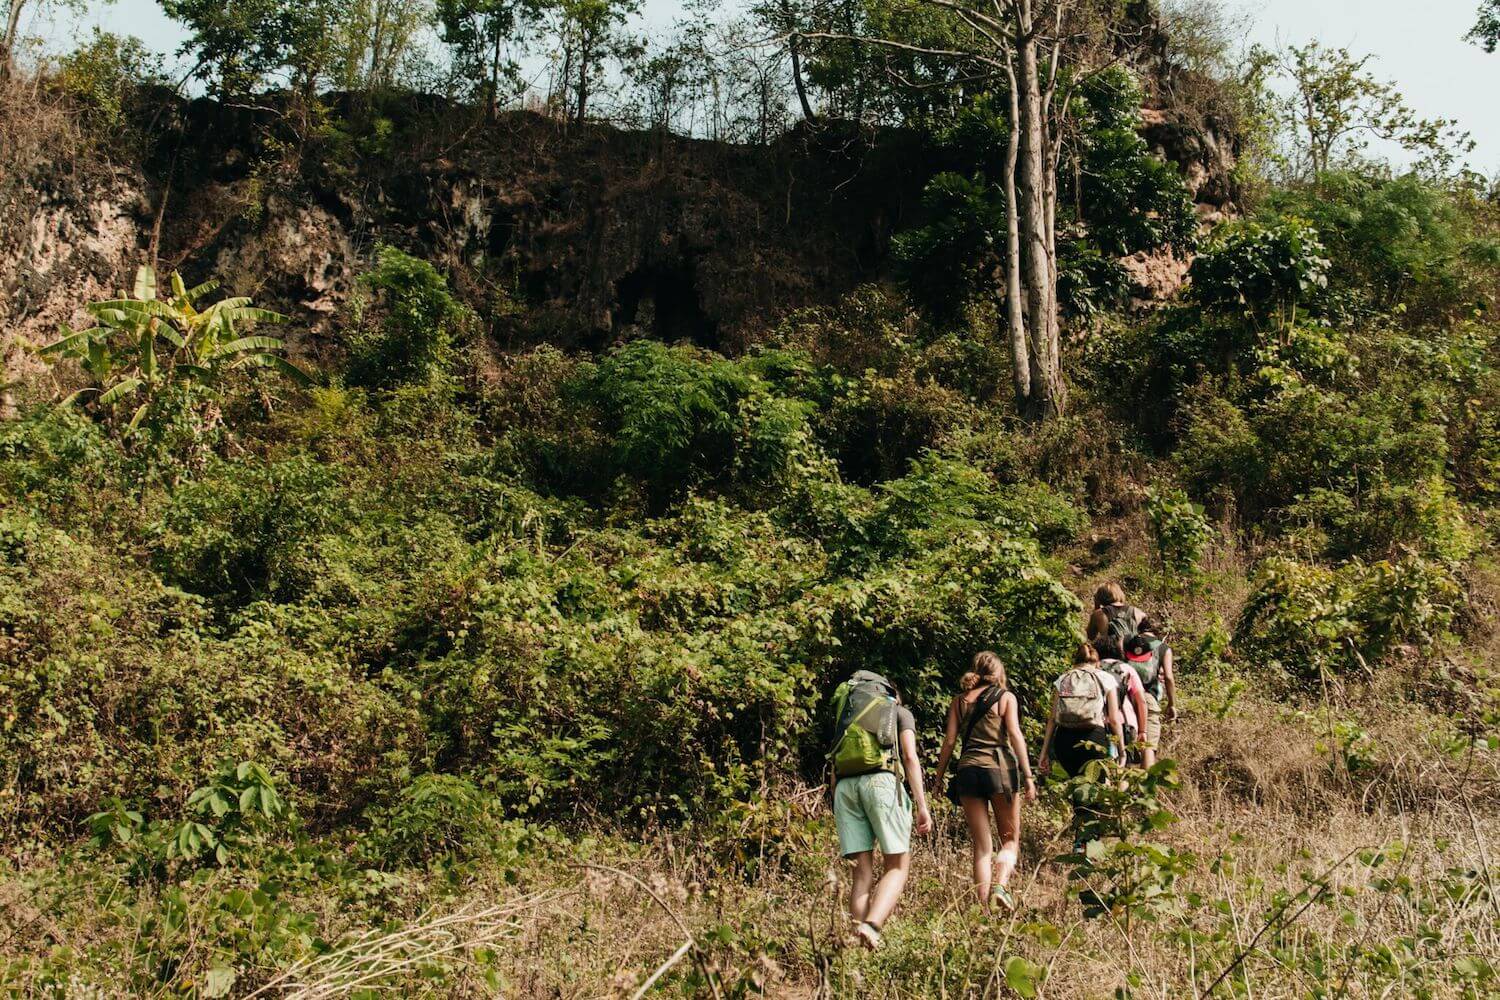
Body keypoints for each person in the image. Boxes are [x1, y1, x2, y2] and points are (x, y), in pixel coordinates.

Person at [828, 670, 933, 949]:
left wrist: (836, 800)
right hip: (881, 782)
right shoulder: (898, 711)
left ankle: (857, 947)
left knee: (861, 873)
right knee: (897, 866)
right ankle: (872, 925)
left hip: (845, 788)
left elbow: (834, 764)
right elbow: (910, 757)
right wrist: (922, 806)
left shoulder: (846, 716)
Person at [932, 652, 1037, 912]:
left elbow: (949, 742)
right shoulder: (1006, 698)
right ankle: (1000, 887)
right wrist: (1028, 776)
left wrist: (938, 779)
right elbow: (1015, 735)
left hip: (968, 771)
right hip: (999, 769)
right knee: (1010, 839)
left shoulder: (959, 701)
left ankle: (983, 911)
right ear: (998, 672)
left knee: (982, 847)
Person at [1037, 643, 1125, 785]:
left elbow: (1053, 719)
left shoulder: (1064, 678)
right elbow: (1114, 719)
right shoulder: (1105, 678)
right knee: (1095, 788)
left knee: (1077, 786)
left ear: (1075, 661)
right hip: (1093, 738)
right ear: (1097, 662)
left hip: (1064, 740)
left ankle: (1079, 807)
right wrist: (1122, 751)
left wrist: (1044, 752)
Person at [1096, 635, 1153, 768]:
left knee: (1103, 767)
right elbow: (1141, 701)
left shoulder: (1094, 669)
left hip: (1098, 725)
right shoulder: (1126, 669)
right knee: (1125, 768)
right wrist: (1143, 731)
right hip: (1126, 725)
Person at [1123, 618, 1178, 756]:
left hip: (1124, 698)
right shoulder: (1162, 648)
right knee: (1148, 748)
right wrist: (1172, 704)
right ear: (1158, 632)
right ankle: (1146, 776)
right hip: (1148, 698)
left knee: (1125, 747)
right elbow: (1169, 677)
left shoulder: (1126, 642)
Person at [1087, 582, 1146, 649]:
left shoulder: (1099, 614)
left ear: (1100, 596)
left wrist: (1096, 607)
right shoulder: (1137, 612)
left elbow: (1090, 636)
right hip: (1135, 653)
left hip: (1112, 654)